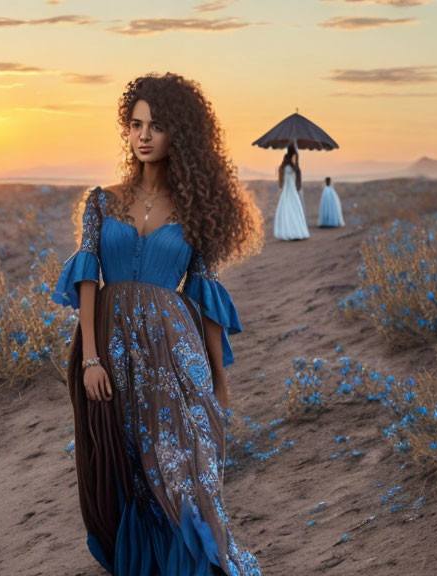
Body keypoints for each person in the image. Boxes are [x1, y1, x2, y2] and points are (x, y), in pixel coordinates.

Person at [52, 72, 264, 576]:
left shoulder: (198, 211)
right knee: (130, 464)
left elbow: (206, 297)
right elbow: (88, 278)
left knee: (182, 462)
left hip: (174, 351)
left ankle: (202, 560)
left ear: (179, 136)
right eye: (136, 124)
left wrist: (219, 379)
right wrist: (90, 359)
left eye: (157, 126)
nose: (144, 135)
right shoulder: (102, 201)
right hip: (111, 350)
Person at [273, 143, 309, 241]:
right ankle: (294, 231)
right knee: (294, 209)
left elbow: (282, 176)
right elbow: (295, 176)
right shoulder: (293, 165)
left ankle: (289, 231)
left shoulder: (285, 164)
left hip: (288, 190)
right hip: (291, 189)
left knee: (288, 209)